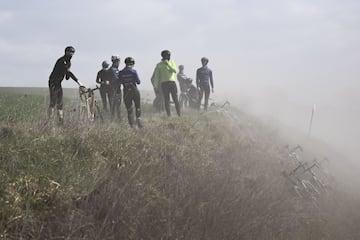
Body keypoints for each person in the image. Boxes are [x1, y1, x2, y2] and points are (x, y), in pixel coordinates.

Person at [48, 46, 84, 125]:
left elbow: (67, 76)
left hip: (59, 83)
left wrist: (67, 74)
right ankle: (49, 121)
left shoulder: (68, 63)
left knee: (60, 103)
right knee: (53, 102)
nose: (71, 54)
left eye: (72, 53)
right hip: (53, 82)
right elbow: (68, 73)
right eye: (70, 52)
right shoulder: (62, 61)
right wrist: (78, 82)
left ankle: (61, 122)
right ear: (66, 52)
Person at [151, 50, 181, 117]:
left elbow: (175, 70)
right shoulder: (159, 65)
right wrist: (155, 86)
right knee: (166, 100)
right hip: (164, 84)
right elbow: (157, 77)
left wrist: (168, 64)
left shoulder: (172, 62)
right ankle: (169, 115)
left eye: (168, 56)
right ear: (163, 56)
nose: (167, 57)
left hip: (172, 83)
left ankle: (179, 114)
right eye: (166, 56)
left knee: (175, 99)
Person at [118, 57, 142, 128]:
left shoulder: (121, 72)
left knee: (129, 108)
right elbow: (138, 82)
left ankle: (131, 125)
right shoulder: (133, 71)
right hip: (134, 90)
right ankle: (138, 122)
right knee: (137, 106)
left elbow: (119, 82)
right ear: (133, 63)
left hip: (126, 91)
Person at [109, 55, 122, 121]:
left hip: (118, 89)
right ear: (115, 62)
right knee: (114, 105)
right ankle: (113, 119)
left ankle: (118, 118)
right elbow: (115, 79)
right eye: (118, 62)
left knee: (118, 105)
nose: (119, 63)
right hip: (114, 90)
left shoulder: (116, 69)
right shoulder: (112, 70)